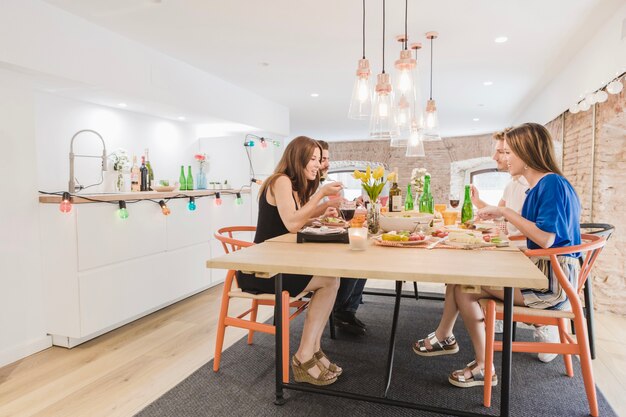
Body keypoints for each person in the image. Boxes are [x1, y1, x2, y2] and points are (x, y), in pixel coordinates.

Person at [412, 123, 582, 388]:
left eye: (509, 152)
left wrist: (504, 213)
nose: (501, 158)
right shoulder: (543, 185)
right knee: (460, 280)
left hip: (551, 284)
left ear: (526, 154)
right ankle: (456, 345)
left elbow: (547, 238)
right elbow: (543, 238)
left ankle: (483, 366)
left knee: (465, 289)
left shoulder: (551, 185)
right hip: (545, 272)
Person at [236, 136, 344, 386]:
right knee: (329, 282)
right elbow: (293, 224)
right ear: (298, 158)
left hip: (278, 264)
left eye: (320, 159)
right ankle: (304, 355)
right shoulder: (280, 181)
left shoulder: (293, 186)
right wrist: (321, 196)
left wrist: (322, 210)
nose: (318, 165)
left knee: (331, 279)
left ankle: (313, 351)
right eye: (314, 159)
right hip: (262, 271)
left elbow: (295, 220)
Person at [317, 140, 368, 336]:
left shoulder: (322, 183)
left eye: (327, 159)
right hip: (310, 245)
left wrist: (349, 204)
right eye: (321, 159)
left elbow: (325, 214)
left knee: (362, 254)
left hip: (324, 234)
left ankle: (346, 310)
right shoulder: (309, 185)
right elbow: (305, 217)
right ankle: (338, 307)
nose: (326, 163)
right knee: (355, 257)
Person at [470, 128, 529, 236]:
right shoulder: (511, 184)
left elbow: (543, 237)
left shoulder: (530, 185)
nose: (494, 157)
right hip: (512, 244)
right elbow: (499, 212)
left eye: (503, 152)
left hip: (520, 248)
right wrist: (477, 201)